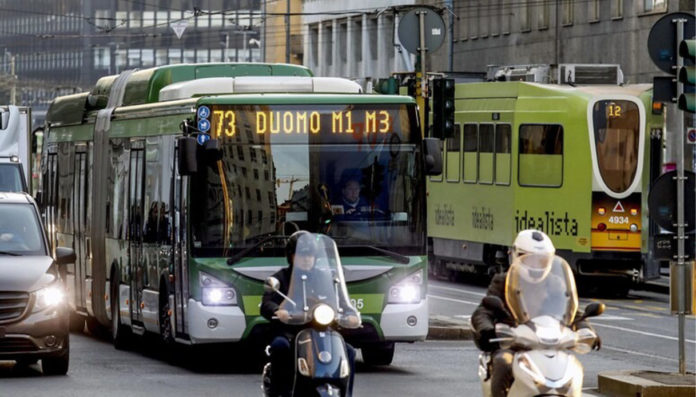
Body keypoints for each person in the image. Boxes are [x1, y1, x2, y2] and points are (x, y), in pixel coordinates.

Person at [471, 229, 600, 397]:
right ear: (516, 256)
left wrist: (587, 330)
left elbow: (573, 313)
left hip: (550, 344)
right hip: (513, 344)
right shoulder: (503, 281)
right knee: (503, 363)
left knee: (572, 367)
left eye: (542, 260)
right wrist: (487, 328)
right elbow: (484, 311)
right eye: (530, 259)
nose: (536, 265)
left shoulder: (555, 284)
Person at [261, 231, 357, 397]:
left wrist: (350, 314)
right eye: (301, 255)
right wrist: (278, 311)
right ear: (291, 256)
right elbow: (267, 302)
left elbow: (340, 300)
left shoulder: (325, 277)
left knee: (349, 351)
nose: (306, 259)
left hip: (321, 330)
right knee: (279, 347)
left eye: (310, 255)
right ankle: (281, 392)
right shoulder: (282, 277)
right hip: (291, 331)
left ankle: (346, 393)